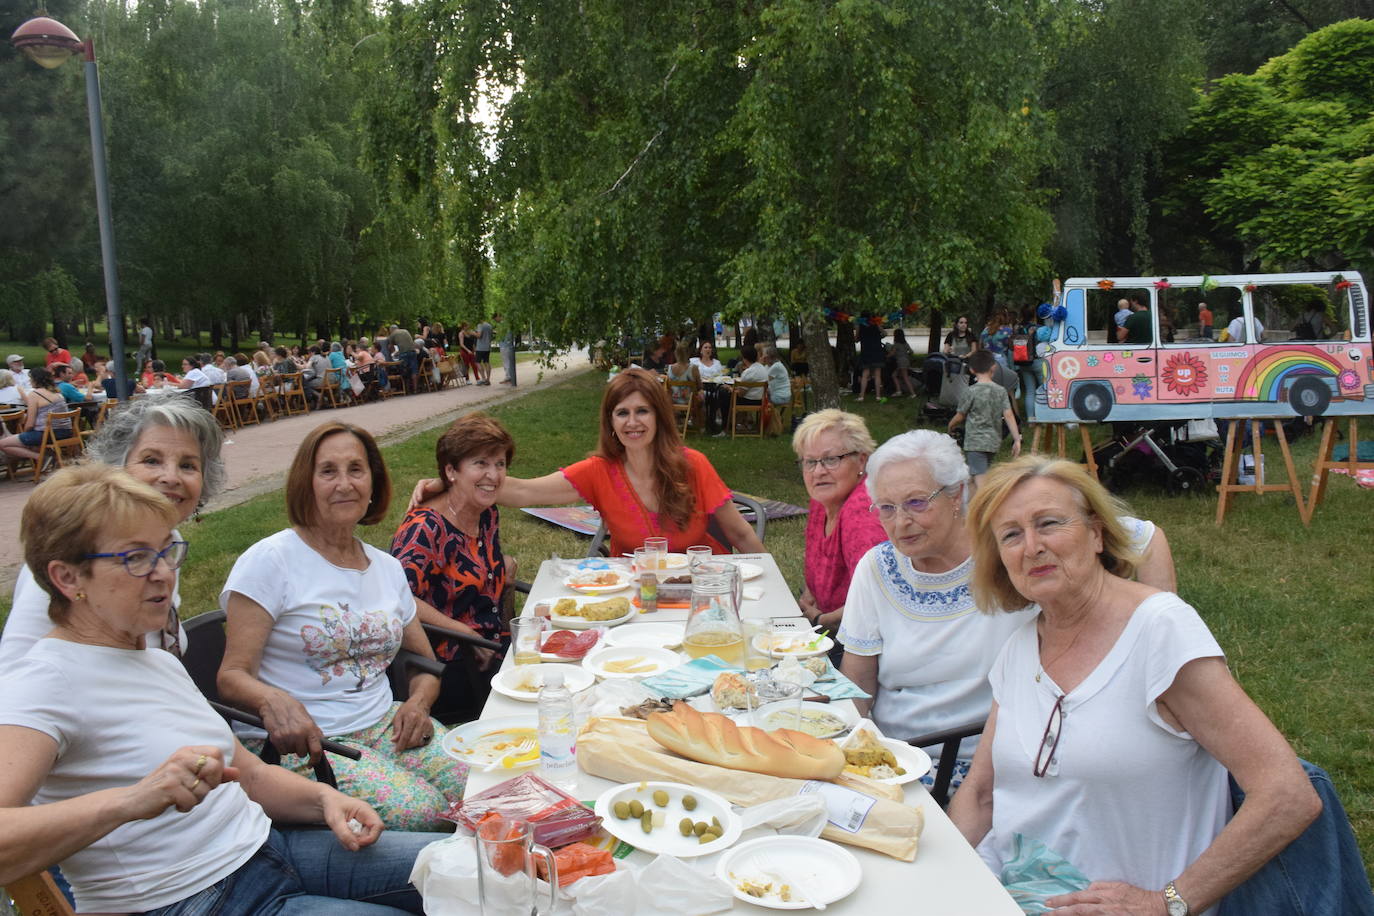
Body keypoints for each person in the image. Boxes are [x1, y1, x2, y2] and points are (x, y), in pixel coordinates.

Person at [0, 464, 431, 914]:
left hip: (271, 851)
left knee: (472, 869)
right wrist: (131, 800)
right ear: (68, 578)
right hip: (189, 899)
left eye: (167, 551)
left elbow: (251, 774)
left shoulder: (151, 658)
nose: (163, 572)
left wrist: (325, 798)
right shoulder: (44, 682)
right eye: (136, 558)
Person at [950, 456, 1322, 915]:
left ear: (1097, 533)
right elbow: (982, 793)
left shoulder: (1160, 631)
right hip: (1006, 890)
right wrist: (944, 877)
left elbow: (1287, 793)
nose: (1031, 547)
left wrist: (1167, 903)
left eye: (1048, 523)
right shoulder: (1021, 646)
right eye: (1011, 535)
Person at [838, 432, 1177, 784]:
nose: (900, 521)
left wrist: (1153, 634)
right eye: (886, 508)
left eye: (917, 503)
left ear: (956, 494)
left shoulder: (1011, 549)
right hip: (895, 758)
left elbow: (1146, 537)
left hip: (987, 762)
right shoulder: (876, 569)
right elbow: (857, 681)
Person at [219, 423, 464, 831]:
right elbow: (230, 676)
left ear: (373, 483)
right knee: (422, 813)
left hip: (384, 724)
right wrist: (270, 700)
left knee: (477, 785)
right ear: (305, 483)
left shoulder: (386, 568)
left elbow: (426, 663)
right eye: (328, 471)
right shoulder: (271, 561)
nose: (344, 484)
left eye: (356, 469)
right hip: (307, 742)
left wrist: (417, 703)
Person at [0, 395, 226, 668]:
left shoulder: (169, 546)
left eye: (188, 465)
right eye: (152, 460)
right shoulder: (75, 552)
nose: (171, 477)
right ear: (117, 468)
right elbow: (14, 672)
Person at [391, 414, 513, 722]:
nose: (493, 474)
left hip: (489, 646)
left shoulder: (486, 513)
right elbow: (395, 597)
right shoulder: (426, 528)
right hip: (443, 666)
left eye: (499, 463)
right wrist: (462, 631)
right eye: (480, 463)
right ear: (451, 470)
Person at [792, 410, 888, 648]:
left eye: (831, 459)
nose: (819, 471)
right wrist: (810, 597)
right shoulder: (823, 498)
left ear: (862, 460)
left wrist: (820, 619)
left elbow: (877, 600)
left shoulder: (863, 515)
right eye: (810, 461)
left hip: (862, 643)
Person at [949, 350, 1021, 492]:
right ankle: (971, 502)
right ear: (993, 367)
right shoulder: (1001, 391)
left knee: (980, 479)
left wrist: (951, 425)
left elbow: (960, 415)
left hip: (975, 442)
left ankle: (984, 505)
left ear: (971, 370)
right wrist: (1016, 439)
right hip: (993, 442)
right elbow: (1009, 415)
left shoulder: (970, 391)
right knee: (977, 473)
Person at [0, 367, 74, 465]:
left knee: (3, 444)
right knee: (26, 441)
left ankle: (42, 458)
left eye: (30, 379)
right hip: (66, 432)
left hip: (47, 434)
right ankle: (52, 456)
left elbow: (30, 424)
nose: (30, 381)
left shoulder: (34, 395)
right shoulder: (57, 393)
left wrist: (24, 434)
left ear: (35, 380)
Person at [691, 340, 729, 433]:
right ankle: (705, 422)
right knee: (705, 396)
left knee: (718, 394)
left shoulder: (716, 363)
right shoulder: (694, 362)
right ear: (701, 350)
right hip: (700, 388)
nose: (708, 349)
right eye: (705, 347)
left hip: (714, 387)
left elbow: (721, 377)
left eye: (710, 348)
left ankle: (713, 421)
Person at [665, 340, 704, 430]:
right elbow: (699, 386)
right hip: (689, 401)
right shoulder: (693, 368)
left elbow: (668, 386)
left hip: (673, 400)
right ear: (688, 353)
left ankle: (678, 422)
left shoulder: (670, 368)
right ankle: (701, 425)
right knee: (702, 397)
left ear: (676, 353)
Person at [855, 319, 886, 402]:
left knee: (865, 374)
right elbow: (884, 334)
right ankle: (878, 396)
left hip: (866, 352)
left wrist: (857, 329)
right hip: (877, 352)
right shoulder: (876, 324)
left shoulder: (861, 326)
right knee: (877, 375)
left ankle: (861, 396)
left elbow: (856, 340)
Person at [890, 329, 917, 397]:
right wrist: (906, 355)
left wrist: (886, 356)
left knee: (905, 377)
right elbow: (911, 352)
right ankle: (899, 391)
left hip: (900, 362)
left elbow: (892, 353)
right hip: (906, 361)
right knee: (894, 375)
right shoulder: (905, 343)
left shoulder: (896, 344)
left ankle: (912, 393)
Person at [474, 317, 493, 385]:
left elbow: (479, 336)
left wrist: (472, 333)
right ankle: (488, 379)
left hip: (480, 347)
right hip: (487, 347)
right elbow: (491, 336)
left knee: (477, 362)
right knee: (486, 362)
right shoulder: (489, 325)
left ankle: (483, 378)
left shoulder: (480, 325)